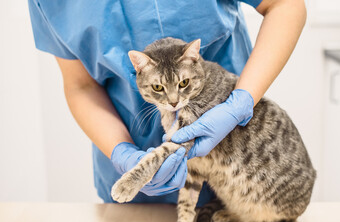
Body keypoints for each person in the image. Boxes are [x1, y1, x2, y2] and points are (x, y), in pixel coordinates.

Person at [28, 0, 306, 204]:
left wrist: (241, 102)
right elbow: (81, 85)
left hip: (236, 156)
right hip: (131, 175)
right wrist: (122, 153)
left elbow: (285, 5)